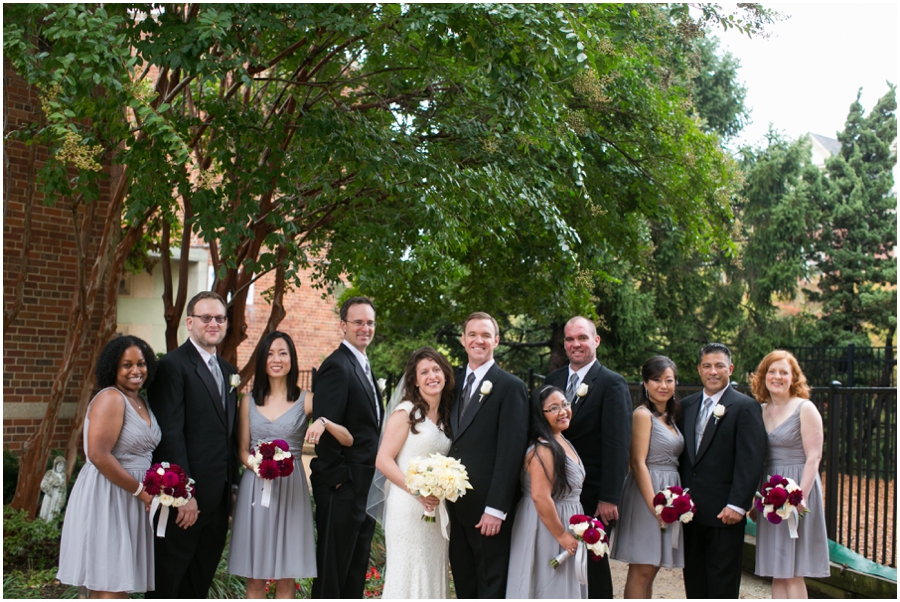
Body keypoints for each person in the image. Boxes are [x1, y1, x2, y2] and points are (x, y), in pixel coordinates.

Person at [228, 331, 354, 598]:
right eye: (270, 353)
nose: (276, 359)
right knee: (255, 578)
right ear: (262, 359)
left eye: (283, 353)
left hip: (291, 490)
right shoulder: (247, 401)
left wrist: (323, 422)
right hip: (255, 489)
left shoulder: (307, 399)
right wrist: (260, 466)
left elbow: (348, 439)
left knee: (287, 578)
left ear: (292, 359)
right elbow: (241, 450)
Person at [147, 291, 240, 599]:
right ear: (189, 322)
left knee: (197, 585)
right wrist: (183, 493)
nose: (213, 323)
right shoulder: (172, 366)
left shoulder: (227, 371)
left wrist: (233, 488)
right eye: (206, 318)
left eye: (220, 318)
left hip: (218, 503)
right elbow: (170, 435)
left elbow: (227, 435)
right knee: (168, 583)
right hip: (186, 503)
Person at [57, 335, 161, 597]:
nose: (136, 371)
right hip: (108, 496)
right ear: (112, 369)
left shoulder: (141, 401)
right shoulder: (111, 398)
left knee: (119, 586)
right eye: (127, 365)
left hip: (131, 497)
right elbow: (98, 455)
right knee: (109, 586)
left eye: (141, 363)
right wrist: (141, 491)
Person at [544, 316, 631, 598]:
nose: (575, 344)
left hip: (592, 494)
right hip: (554, 489)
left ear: (596, 341)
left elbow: (617, 444)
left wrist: (609, 497)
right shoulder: (553, 380)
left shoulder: (611, 383)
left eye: (582, 338)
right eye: (569, 339)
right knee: (560, 553)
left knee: (592, 560)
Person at [447, 312, 529, 598]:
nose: (478, 340)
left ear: (496, 340)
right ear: (463, 340)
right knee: (464, 583)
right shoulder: (452, 384)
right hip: (454, 506)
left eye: (485, 335)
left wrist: (496, 508)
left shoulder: (511, 387)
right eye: (472, 334)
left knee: (491, 584)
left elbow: (512, 452)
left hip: (487, 512)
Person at [678, 342, 767, 599]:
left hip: (724, 512)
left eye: (719, 366)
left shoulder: (745, 407)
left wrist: (738, 504)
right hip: (690, 513)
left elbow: (751, 459)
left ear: (730, 368)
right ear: (699, 369)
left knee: (722, 584)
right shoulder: (687, 406)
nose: (713, 371)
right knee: (694, 581)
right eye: (707, 366)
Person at [310, 297, 384, 599]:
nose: (365, 328)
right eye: (358, 322)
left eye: (369, 322)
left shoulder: (362, 365)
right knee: (333, 573)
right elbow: (324, 426)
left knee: (354, 570)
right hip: (344, 487)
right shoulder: (336, 366)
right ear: (343, 325)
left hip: (364, 486)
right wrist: (340, 480)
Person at [375, 347, 455, 598]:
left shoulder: (447, 414)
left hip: (436, 510)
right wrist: (418, 492)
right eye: (424, 372)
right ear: (415, 380)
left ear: (445, 374)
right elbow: (383, 460)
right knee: (409, 572)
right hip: (408, 507)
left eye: (436, 369)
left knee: (432, 570)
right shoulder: (406, 412)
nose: (431, 376)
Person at [750, 350, 829, 598]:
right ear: (763, 376)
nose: (777, 377)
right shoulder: (759, 410)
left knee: (793, 571)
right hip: (769, 494)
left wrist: (799, 496)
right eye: (772, 371)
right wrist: (754, 498)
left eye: (784, 372)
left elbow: (814, 457)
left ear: (793, 377)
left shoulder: (805, 408)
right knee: (777, 569)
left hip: (797, 489)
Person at [611, 356, 685, 598]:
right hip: (648, 495)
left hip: (669, 491)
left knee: (652, 568)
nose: (663, 385)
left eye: (669, 380)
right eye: (656, 380)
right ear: (645, 383)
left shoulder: (671, 417)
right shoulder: (643, 415)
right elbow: (637, 462)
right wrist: (656, 505)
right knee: (642, 568)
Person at [506, 385, 587, 599]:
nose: (562, 411)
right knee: (547, 585)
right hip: (546, 526)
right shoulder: (543, 449)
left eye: (565, 404)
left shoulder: (561, 440)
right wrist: (561, 535)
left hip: (565, 520)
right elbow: (540, 496)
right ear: (539, 415)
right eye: (553, 408)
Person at [39, 456, 68, 523]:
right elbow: (43, 485)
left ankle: (52, 530)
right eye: (59, 465)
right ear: (55, 465)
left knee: (55, 514)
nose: (60, 467)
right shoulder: (50, 473)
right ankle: (44, 529)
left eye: (62, 466)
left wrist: (63, 499)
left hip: (59, 497)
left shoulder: (63, 475)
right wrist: (52, 487)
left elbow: (64, 489)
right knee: (47, 512)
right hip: (51, 496)